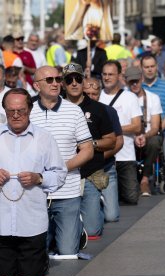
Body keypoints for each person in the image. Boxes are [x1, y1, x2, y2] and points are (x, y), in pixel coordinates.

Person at [0, 88, 67, 276]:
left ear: (30, 109)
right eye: (11, 111)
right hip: (1, 226)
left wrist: (39, 178)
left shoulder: (44, 137)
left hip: (31, 224)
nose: (16, 115)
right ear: (4, 110)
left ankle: (41, 262)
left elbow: (60, 174)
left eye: (21, 110)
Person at [30, 66, 94, 255]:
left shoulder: (74, 111)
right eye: (49, 80)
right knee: (38, 253)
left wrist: (60, 169)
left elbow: (87, 150)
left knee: (67, 253)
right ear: (36, 85)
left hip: (67, 190)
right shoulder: (27, 111)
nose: (56, 83)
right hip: (34, 192)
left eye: (58, 79)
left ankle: (75, 229)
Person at [62, 63, 115, 236]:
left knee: (92, 231)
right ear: (63, 83)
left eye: (78, 78)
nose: (74, 83)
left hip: (90, 173)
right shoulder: (56, 107)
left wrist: (89, 144)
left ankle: (94, 208)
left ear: (83, 81)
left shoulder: (98, 108)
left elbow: (111, 141)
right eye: (69, 80)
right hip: (64, 174)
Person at [100, 60, 142, 205]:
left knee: (131, 198)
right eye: (104, 74)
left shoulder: (130, 97)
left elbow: (137, 126)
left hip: (125, 155)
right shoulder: (97, 96)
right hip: (104, 155)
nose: (107, 77)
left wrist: (112, 129)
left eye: (111, 74)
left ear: (119, 76)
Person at [83, 77, 124, 221]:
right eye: (87, 93)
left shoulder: (108, 111)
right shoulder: (75, 111)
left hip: (106, 167)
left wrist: (98, 157)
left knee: (111, 216)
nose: (91, 97)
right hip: (82, 168)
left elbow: (118, 141)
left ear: (99, 94)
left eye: (94, 94)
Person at [125, 66, 162, 196]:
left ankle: (145, 179)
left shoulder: (153, 98)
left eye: (137, 81)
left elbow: (155, 127)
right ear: (126, 82)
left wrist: (144, 136)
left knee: (155, 141)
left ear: (142, 79)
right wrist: (133, 135)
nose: (134, 84)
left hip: (147, 134)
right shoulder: (123, 97)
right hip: (128, 135)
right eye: (131, 82)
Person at [141, 54, 165, 131]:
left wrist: (158, 130)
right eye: (146, 67)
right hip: (140, 134)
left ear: (157, 66)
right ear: (141, 68)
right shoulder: (137, 87)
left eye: (152, 66)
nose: (150, 69)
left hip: (161, 133)